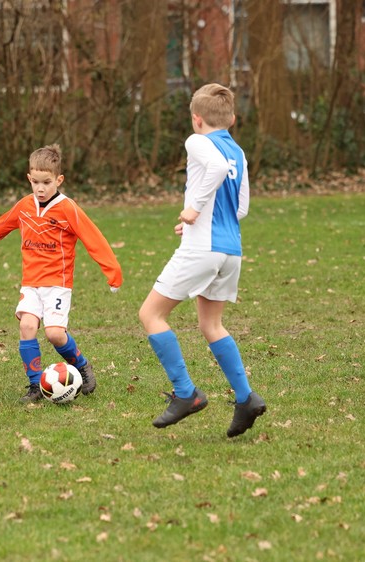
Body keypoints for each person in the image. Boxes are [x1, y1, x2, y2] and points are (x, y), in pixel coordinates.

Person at [138, 83, 266, 438]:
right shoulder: (238, 151)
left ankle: (186, 393)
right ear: (232, 119)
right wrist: (201, 222)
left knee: (151, 315)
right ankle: (246, 398)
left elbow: (214, 168)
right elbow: (240, 208)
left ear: (196, 119)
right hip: (230, 250)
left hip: (203, 250)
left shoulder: (197, 141)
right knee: (211, 325)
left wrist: (194, 211)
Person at [0, 144, 123, 403]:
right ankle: (35, 385)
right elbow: (1, 225)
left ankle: (82, 365)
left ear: (59, 180)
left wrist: (112, 272)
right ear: (29, 178)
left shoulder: (68, 208)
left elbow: (93, 238)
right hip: (31, 283)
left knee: (54, 334)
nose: (40, 188)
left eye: (46, 182)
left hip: (57, 284)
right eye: (35, 182)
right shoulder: (25, 206)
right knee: (27, 326)